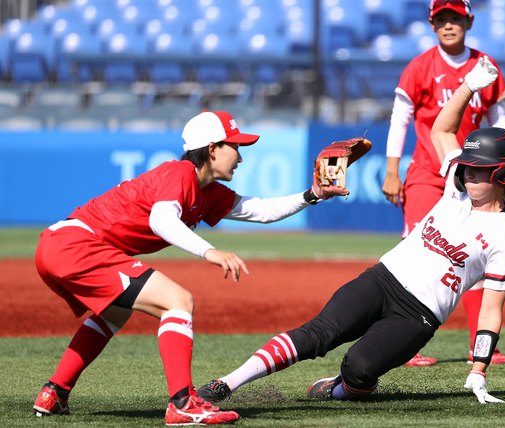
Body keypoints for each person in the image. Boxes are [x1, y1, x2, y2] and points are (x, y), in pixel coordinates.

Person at [197, 58, 505, 405]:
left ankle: (344, 386)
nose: (469, 173)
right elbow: (440, 130)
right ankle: (225, 384)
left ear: (502, 176)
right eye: (468, 166)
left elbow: (490, 311)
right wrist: (469, 86)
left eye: (479, 169)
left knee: (358, 369)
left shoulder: (504, 238)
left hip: (418, 316)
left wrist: (479, 369)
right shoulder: (455, 185)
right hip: (382, 278)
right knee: (318, 334)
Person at [32, 111, 348, 426]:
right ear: (212, 149)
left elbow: (261, 210)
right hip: (77, 245)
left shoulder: (208, 192)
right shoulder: (180, 173)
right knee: (178, 301)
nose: (240, 156)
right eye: (235, 146)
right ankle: (183, 403)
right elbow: (161, 220)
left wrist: (313, 194)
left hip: (61, 246)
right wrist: (209, 251)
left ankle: (54, 392)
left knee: (114, 313)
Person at [381, 0, 505, 367]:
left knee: (478, 252)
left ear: (468, 21)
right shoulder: (420, 67)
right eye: (441, 19)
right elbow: (400, 120)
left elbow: (498, 118)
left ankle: (480, 344)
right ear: (431, 24)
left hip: (473, 176)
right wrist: (393, 171)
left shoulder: (484, 65)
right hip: (427, 171)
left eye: (455, 18)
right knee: (414, 251)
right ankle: (403, 344)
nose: (448, 25)